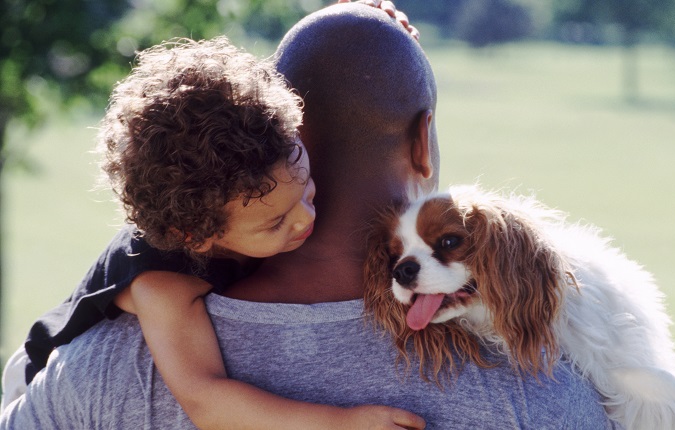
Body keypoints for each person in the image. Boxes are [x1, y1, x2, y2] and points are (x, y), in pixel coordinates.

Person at [1, 4, 619, 429]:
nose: (298, 220)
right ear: (422, 142)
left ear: (290, 131)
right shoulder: (540, 390)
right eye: (275, 220)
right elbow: (208, 401)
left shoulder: (95, 375)